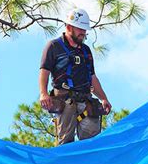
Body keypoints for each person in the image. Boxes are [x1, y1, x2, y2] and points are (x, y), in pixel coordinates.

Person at [39, 8, 112, 145]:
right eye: (80, 29)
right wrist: (43, 93)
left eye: (84, 30)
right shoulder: (54, 46)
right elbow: (44, 71)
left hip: (85, 100)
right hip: (65, 100)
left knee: (92, 143)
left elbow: (92, 77)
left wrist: (103, 98)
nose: (83, 33)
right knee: (65, 143)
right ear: (68, 27)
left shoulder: (86, 51)